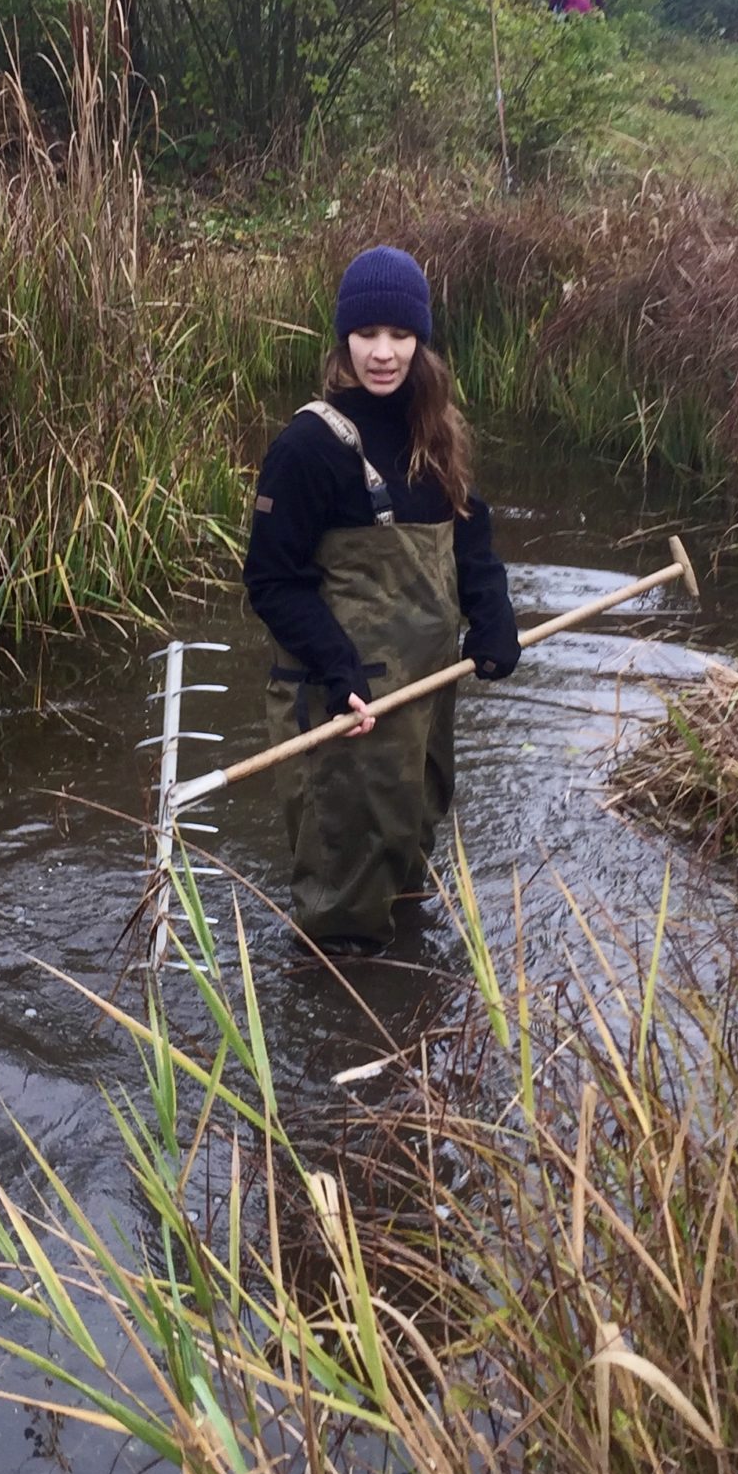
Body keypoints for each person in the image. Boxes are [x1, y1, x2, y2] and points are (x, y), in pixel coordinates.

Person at [242, 245, 520, 958]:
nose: (384, 353)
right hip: (342, 705)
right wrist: (341, 671)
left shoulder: (436, 433)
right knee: (344, 895)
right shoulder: (308, 448)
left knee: (406, 861)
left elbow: (469, 531)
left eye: (400, 335)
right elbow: (272, 581)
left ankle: (408, 1022)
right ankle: (336, 1040)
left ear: (420, 341)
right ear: (344, 340)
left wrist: (492, 616)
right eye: (368, 335)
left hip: (422, 698)